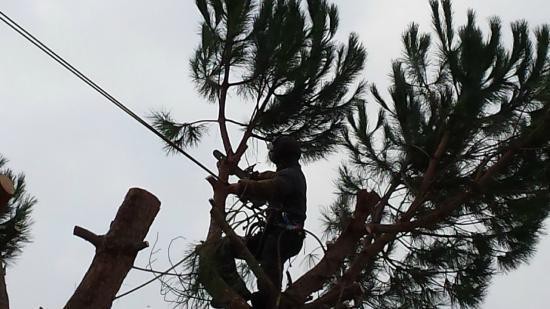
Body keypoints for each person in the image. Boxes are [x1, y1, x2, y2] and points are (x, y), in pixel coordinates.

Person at [210, 135, 307, 308]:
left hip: (285, 237)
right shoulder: (288, 173)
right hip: (273, 234)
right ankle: (236, 291)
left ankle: (269, 302)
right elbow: (270, 178)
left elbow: (272, 186)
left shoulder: (292, 176)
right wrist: (254, 177)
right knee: (225, 247)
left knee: (269, 271)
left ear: (279, 154)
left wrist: (239, 187)